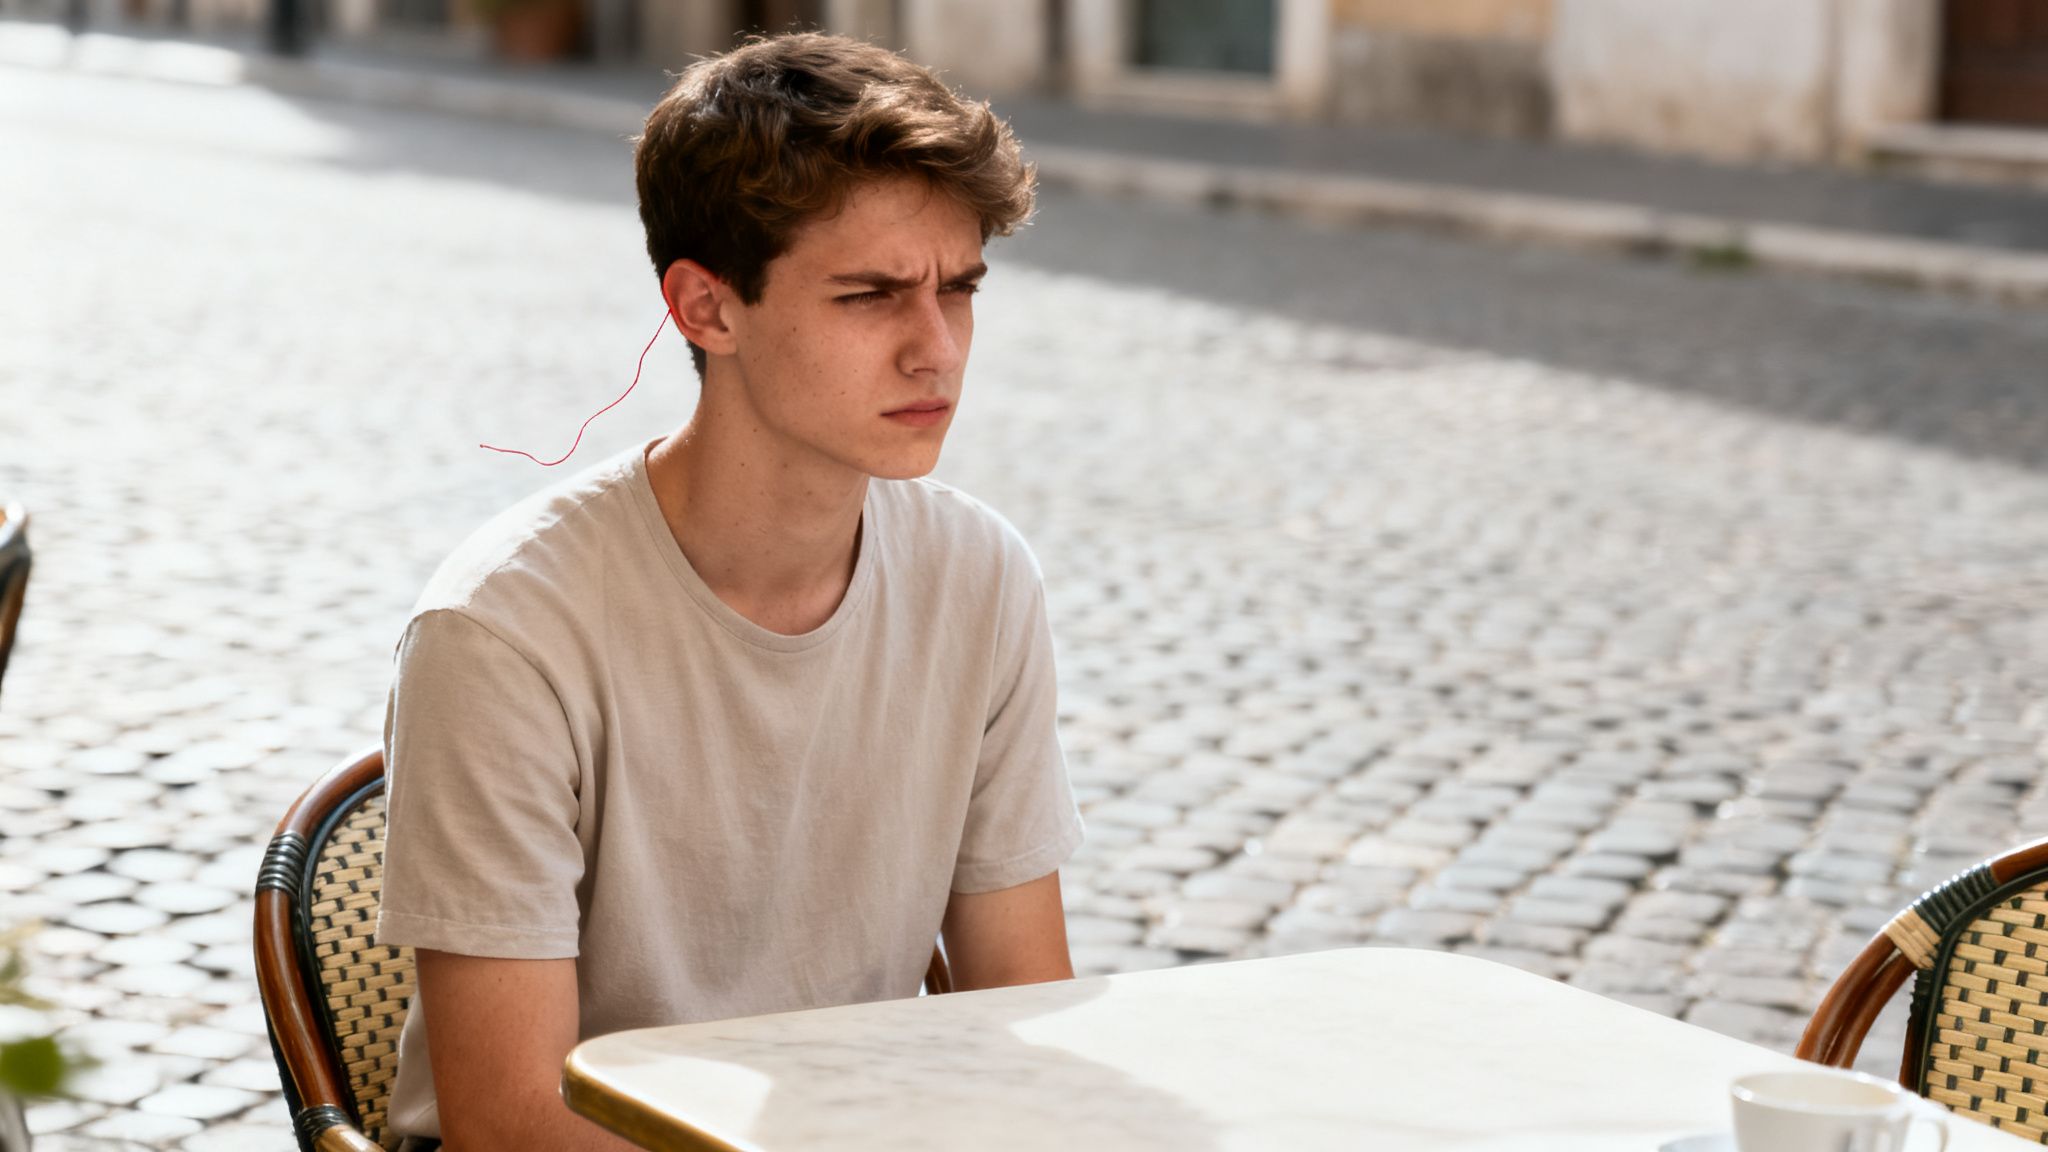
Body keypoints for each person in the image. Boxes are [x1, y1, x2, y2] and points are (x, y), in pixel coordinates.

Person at [374, 32, 1084, 1151]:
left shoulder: (979, 578)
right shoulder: (503, 633)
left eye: (958, 290)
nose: (936, 351)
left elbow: (1018, 1007)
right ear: (706, 309)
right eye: (870, 297)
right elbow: (512, 1124)